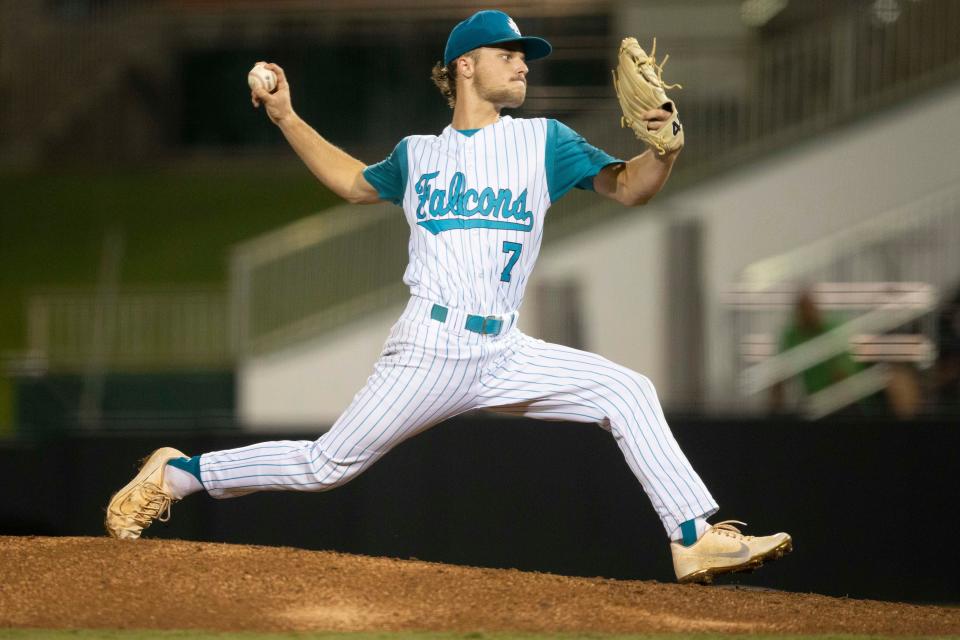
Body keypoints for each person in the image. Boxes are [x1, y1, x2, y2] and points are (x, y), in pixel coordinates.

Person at [106, 10, 791, 584]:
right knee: (325, 466)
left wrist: (665, 149)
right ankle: (181, 474)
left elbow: (630, 186)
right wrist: (286, 116)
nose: (524, 64)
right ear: (466, 65)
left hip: (503, 347)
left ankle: (693, 534)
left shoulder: (544, 143)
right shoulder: (418, 155)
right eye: (509, 53)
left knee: (627, 392)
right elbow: (350, 182)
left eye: (526, 56)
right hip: (430, 347)